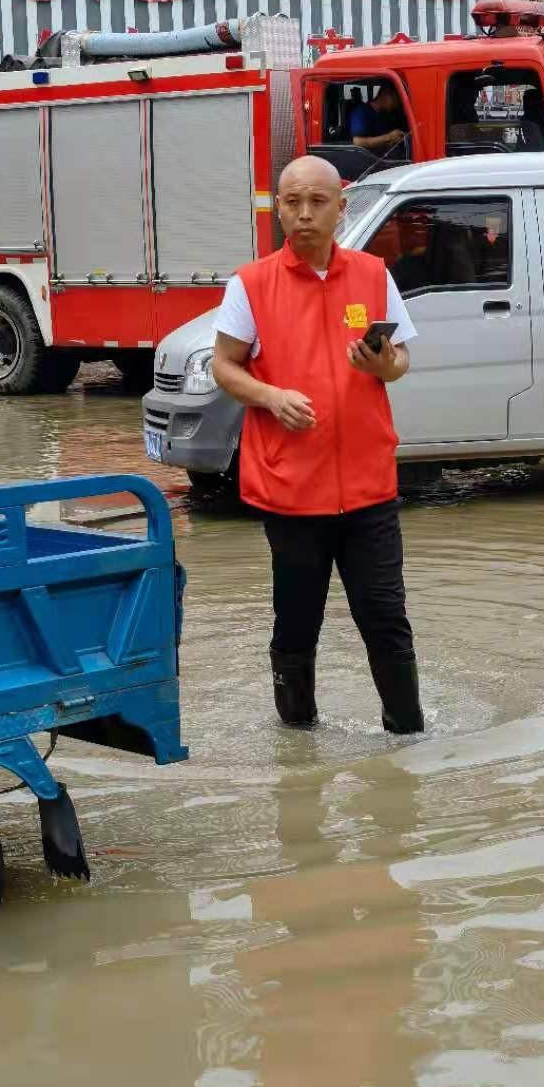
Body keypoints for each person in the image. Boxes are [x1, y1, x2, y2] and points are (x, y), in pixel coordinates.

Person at [211, 155, 425, 735]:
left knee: (385, 617)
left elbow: (400, 361)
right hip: (292, 491)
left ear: (341, 208)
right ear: (277, 207)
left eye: (317, 202)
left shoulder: (373, 275)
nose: (303, 215)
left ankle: (407, 737)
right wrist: (270, 395)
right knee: (297, 623)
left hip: (369, 487)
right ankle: (297, 740)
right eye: (291, 203)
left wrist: (384, 363)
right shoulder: (251, 285)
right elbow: (222, 367)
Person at [349, 83, 407, 154]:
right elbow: (358, 142)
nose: (398, 103)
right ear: (386, 93)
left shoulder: (386, 114)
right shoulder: (361, 112)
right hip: (370, 161)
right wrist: (389, 137)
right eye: (397, 98)